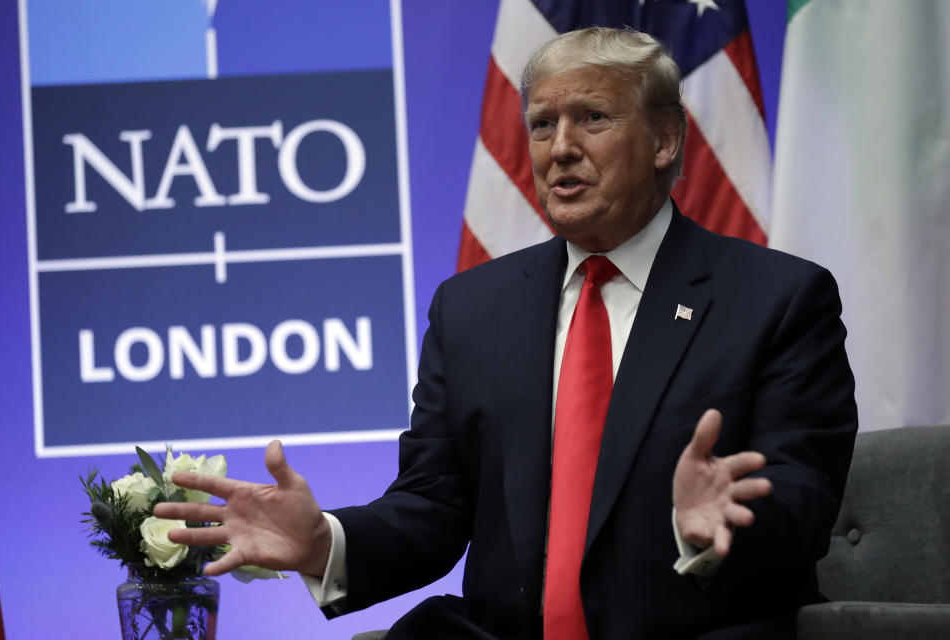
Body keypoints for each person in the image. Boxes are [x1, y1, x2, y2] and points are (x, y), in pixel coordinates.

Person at [155, 27, 857, 639]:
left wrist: (712, 527)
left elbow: (802, 499)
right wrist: (324, 542)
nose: (561, 149)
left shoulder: (777, 299)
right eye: (543, 124)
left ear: (666, 139)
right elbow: (432, 507)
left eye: (594, 117)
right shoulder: (471, 308)